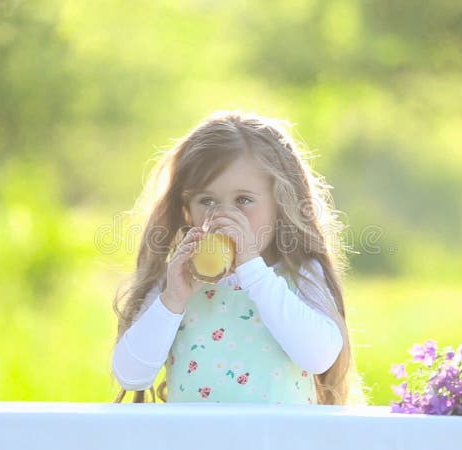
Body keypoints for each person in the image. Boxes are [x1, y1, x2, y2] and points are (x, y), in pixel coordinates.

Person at [110, 111, 365, 405]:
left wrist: (254, 272)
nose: (223, 216)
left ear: (280, 204)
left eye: (243, 200)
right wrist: (172, 300)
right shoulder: (176, 282)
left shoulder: (300, 275)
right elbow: (131, 375)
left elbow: (319, 357)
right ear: (187, 210)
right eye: (207, 201)